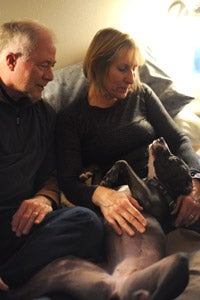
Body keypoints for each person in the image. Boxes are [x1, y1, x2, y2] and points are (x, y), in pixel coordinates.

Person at [55, 27, 200, 297]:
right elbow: (68, 181)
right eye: (123, 69)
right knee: (138, 260)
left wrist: (195, 181)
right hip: (129, 200)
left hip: (170, 186)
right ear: (98, 65)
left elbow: (179, 139)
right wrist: (104, 196)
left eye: (134, 69)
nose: (131, 78)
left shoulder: (141, 94)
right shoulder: (72, 119)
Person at [0, 20, 104, 293]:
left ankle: (10, 281)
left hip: (21, 225)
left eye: (53, 66)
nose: (50, 76)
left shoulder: (45, 114)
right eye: (43, 65)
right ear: (11, 60)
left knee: (87, 222)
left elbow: (52, 173)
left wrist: (43, 198)